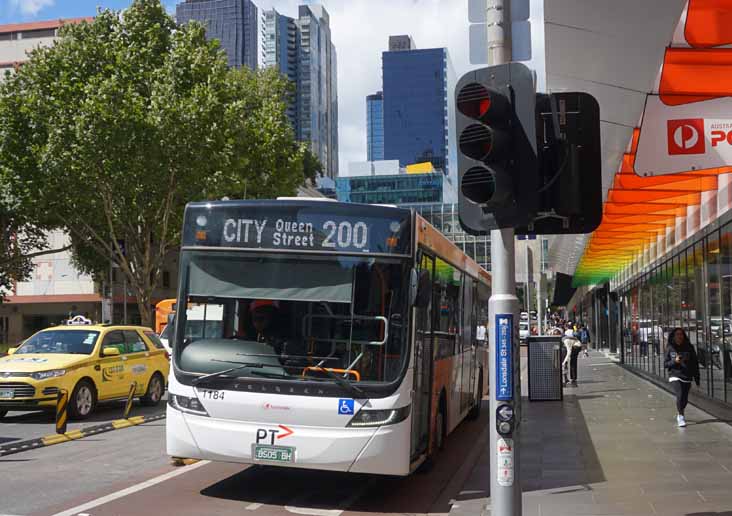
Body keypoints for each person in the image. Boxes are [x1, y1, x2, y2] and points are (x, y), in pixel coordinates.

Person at [664, 327, 700, 428]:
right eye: (677, 335)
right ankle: (681, 416)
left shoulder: (689, 347)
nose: (679, 336)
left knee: (684, 399)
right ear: (674, 337)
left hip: (687, 375)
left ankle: (681, 411)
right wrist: (674, 361)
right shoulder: (670, 347)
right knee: (679, 395)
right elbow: (665, 364)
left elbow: (695, 364)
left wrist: (697, 379)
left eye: (681, 334)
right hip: (675, 375)